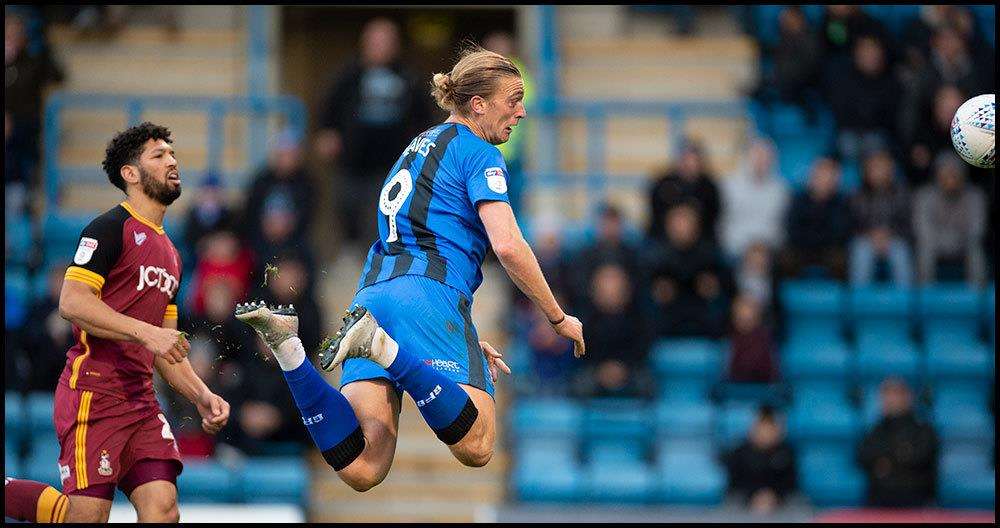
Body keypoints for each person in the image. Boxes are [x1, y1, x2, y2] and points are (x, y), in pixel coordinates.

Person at [235, 45, 585, 492]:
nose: (520, 112)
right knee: (477, 443)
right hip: (426, 295)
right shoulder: (479, 151)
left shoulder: (414, 148)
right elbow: (509, 246)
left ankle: (289, 351)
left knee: (362, 465)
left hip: (374, 296)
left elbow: (423, 231)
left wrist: (458, 330)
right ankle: (387, 352)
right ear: (478, 105)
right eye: (513, 99)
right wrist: (556, 316)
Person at [4, 123, 230, 523]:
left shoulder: (172, 254)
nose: (172, 161)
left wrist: (201, 394)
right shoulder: (109, 228)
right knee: (85, 517)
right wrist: (146, 333)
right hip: (94, 393)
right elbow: (72, 302)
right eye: (158, 156)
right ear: (130, 173)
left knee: (164, 510)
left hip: (141, 401)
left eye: (172, 154)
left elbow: (168, 348)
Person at [315, 18, 434, 250]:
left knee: (388, 212)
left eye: (385, 42)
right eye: (375, 41)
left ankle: (384, 255)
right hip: (353, 161)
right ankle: (351, 251)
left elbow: (424, 116)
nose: (379, 47)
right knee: (347, 207)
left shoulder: (408, 77)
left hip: (393, 163)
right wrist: (326, 134)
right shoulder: (348, 75)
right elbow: (328, 108)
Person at [857, 378, 939, 508]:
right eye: (886, 394)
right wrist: (899, 453)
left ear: (908, 397)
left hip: (915, 502)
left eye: (896, 393)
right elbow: (863, 457)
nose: (890, 399)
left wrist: (884, 462)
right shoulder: (875, 430)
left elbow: (919, 459)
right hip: (879, 502)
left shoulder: (923, 430)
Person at [912, 151, 987, 285]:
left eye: (954, 172)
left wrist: (957, 239)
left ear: (962, 175)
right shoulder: (924, 196)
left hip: (964, 243)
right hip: (935, 243)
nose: (950, 177)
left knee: (976, 250)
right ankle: (925, 296)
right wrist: (944, 240)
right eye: (945, 172)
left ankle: (977, 298)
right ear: (937, 174)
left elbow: (977, 230)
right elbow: (922, 230)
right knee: (924, 249)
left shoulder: (975, 196)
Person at [848, 149, 913, 286]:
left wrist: (889, 234)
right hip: (866, 239)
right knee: (861, 251)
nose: (878, 172)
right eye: (874, 168)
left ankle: (905, 302)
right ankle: (859, 301)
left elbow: (908, 225)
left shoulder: (902, 193)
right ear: (866, 170)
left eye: (882, 167)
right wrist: (871, 234)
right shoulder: (856, 194)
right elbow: (851, 225)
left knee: (901, 254)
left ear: (891, 170)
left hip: (895, 238)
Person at [719, 138, 790, 259]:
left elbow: (781, 226)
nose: (761, 161)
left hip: (769, 250)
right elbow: (723, 223)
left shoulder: (781, 190)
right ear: (747, 157)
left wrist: (761, 248)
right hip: (735, 248)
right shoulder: (728, 186)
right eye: (757, 156)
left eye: (766, 158)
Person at [782, 157, 852, 279]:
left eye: (830, 176)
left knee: (841, 259)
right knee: (785, 258)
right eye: (821, 175)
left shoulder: (841, 202)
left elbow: (841, 232)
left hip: (828, 250)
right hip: (802, 249)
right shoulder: (798, 199)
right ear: (813, 176)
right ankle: (786, 296)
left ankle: (842, 296)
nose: (825, 180)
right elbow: (792, 229)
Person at [723, 406, 797, 515]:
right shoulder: (739, 453)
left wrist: (774, 496)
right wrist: (753, 496)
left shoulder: (787, 453)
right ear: (752, 428)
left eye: (770, 427)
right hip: (743, 506)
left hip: (779, 506)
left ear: (778, 430)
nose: (765, 432)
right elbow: (734, 486)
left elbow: (791, 484)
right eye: (762, 426)